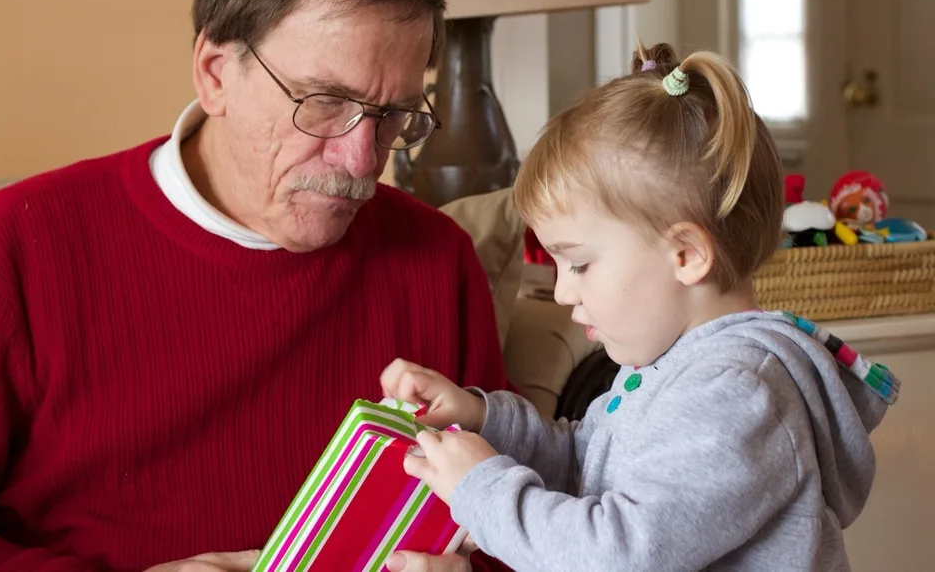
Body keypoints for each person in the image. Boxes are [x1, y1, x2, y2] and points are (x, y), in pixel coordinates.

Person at [0, 0, 510, 571]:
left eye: (394, 115)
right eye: (324, 103)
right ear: (215, 73)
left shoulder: (436, 259)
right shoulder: (21, 248)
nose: (362, 160)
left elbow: (525, 520)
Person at [381, 43, 901, 571]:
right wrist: (482, 418)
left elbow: (619, 555)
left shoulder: (734, 392)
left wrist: (483, 490)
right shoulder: (675, 366)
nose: (563, 293)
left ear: (686, 255)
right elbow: (586, 463)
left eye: (579, 264)